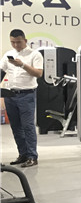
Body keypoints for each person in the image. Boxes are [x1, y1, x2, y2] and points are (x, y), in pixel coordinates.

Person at [1, 29, 44, 167]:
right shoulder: (8, 54)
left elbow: (38, 73)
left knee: (28, 126)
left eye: (18, 42)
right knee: (16, 127)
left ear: (25, 40)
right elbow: (1, 71)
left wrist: (22, 65)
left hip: (27, 95)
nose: (15, 45)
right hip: (10, 95)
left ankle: (32, 156)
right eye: (12, 42)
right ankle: (23, 154)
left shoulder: (35, 54)